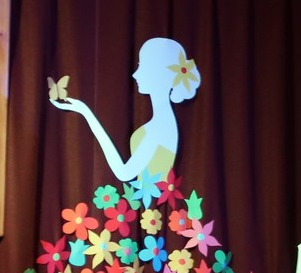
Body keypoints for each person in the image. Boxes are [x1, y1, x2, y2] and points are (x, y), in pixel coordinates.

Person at [50, 36, 199, 181]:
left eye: (143, 66)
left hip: (152, 197)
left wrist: (86, 112)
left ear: (158, 74)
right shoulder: (163, 120)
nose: (135, 74)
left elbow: (124, 173)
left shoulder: (161, 125)